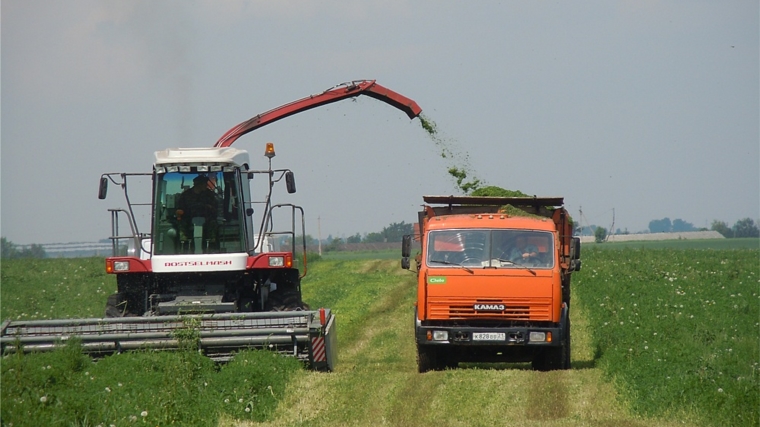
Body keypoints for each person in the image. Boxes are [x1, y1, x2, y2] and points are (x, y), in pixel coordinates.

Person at [176, 175, 218, 244]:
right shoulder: (185, 195)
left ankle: (212, 244)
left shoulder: (210, 195)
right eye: (204, 183)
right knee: (181, 224)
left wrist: (208, 207)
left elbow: (215, 208)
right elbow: (180, 209)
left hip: (206, 219)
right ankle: (184, 244)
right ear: (198, 185)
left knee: (213, 223)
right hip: (189, 219)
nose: (206, 185)